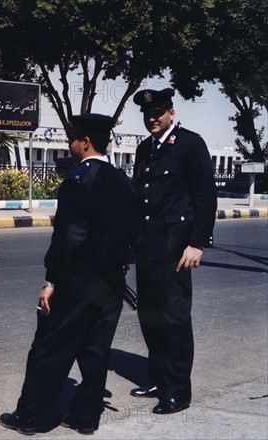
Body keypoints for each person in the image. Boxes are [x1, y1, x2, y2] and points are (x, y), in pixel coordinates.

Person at [0, 114, 139, 435]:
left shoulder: (79, 180)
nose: (70, 144)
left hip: (77, 283)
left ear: (85, 142)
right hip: (112, 284)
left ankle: (31, 417)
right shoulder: (121, 180)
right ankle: (84, 417)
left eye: (73, 139)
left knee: (49, 348)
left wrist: (50, 282)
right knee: (95, 351)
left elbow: (67, 238)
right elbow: (134, 231)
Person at [130, 88, 217, 414]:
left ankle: (178, 392)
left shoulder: (191, 145)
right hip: (147, 247)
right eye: (147, 115)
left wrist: (197, 243)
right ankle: (158, 379)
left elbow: (205, 197)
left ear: (171, 113)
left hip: (177, 248)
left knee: (175, 319)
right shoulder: (143, 149)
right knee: (149, 316)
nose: (152, 118)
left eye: (158, 113)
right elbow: (141, 201)